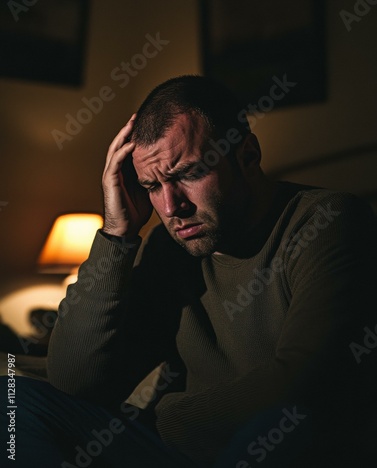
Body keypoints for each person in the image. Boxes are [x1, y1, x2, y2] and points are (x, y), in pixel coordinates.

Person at [1, 75, 376, 467]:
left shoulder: (327, 221)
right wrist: (117, 236)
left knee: (280, 426)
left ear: (247, 156)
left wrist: (168, 415)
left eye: (189, 175)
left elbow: (305, 385)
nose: (169, 207)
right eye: (151, 185)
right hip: (168, 452)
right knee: (10, 403)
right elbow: (75, 380)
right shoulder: (173, 247)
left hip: (254, 445)